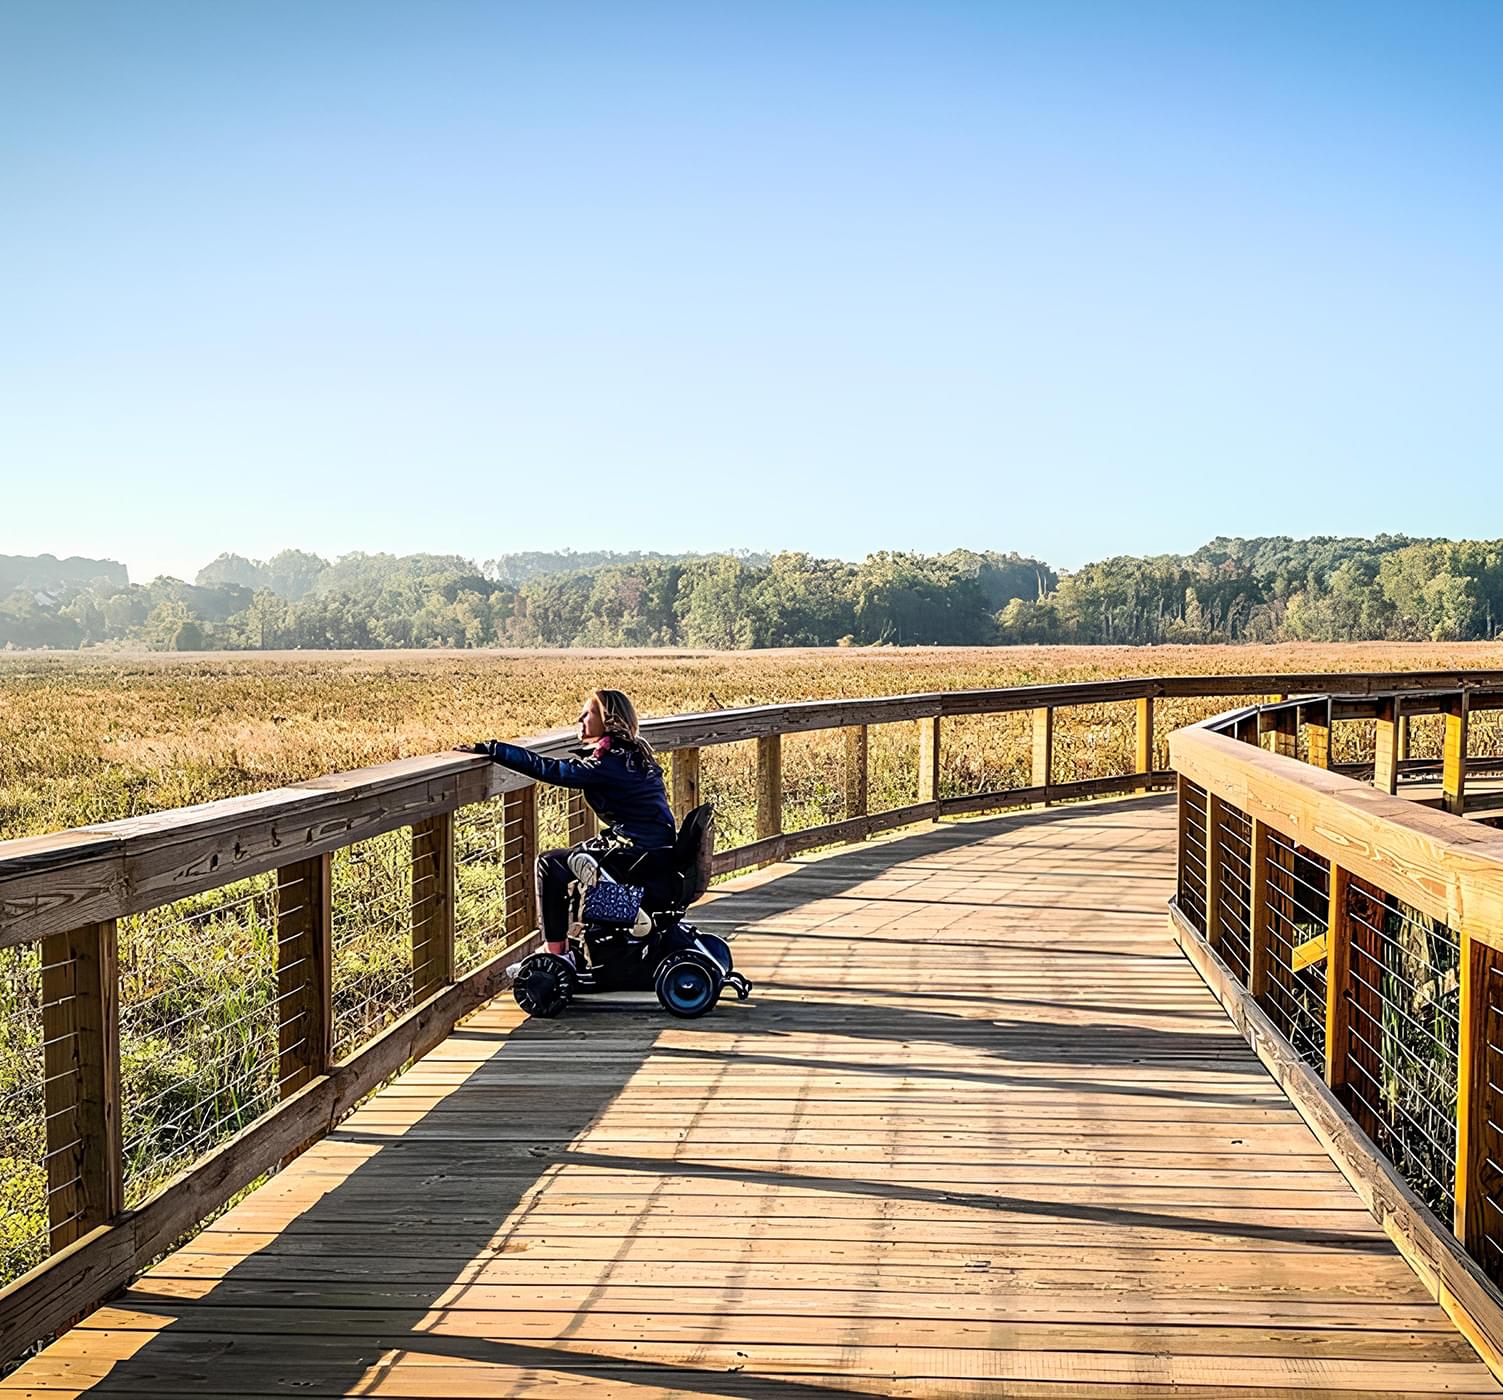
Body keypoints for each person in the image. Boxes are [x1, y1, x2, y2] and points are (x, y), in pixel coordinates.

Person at [458, 689, 676, 964]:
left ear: (608, 720)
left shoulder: (609, 762)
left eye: (588, 713)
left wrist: (494, 749)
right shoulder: (631, 752)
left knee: (550, 864)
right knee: (575, 858)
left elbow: (550, 770)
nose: (580, 718)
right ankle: (576, 940)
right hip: (651, 850)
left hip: (638, 855)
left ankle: (558, 955)